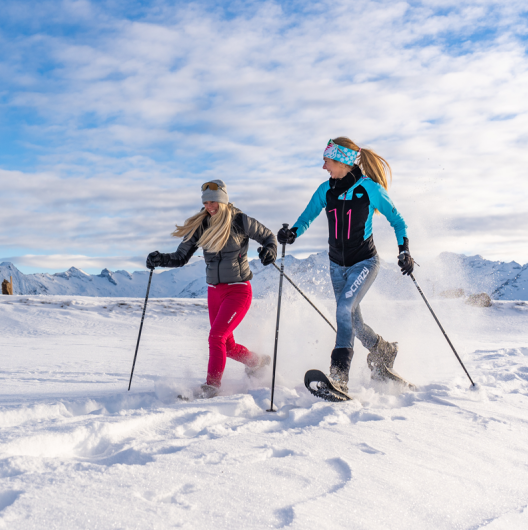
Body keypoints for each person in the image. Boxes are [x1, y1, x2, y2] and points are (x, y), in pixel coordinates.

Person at [276, 137, 414, 395]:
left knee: (343, 310)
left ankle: (339, 377)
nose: (324, 167)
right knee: (353, 322)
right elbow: (306, 218)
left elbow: (398, 221)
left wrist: (404, 251)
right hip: (336, 266)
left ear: (342, 161)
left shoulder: (369, 189)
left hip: (364, 262)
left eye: (327, 161)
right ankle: (384, 350)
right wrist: (292, 233)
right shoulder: (324, 191)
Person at [146, 180, 279, 399]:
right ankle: (257, 362)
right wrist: (160, 259)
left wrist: (270, 250)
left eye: (214, 202)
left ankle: (212, 385)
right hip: (214, 292)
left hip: (238, 290)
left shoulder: (240, 221)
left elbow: (268, 237)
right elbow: (181, 257)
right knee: (227, 345)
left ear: (224, 200)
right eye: (206, 202)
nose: (210, 206)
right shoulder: (202, 225)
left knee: (216, 337)